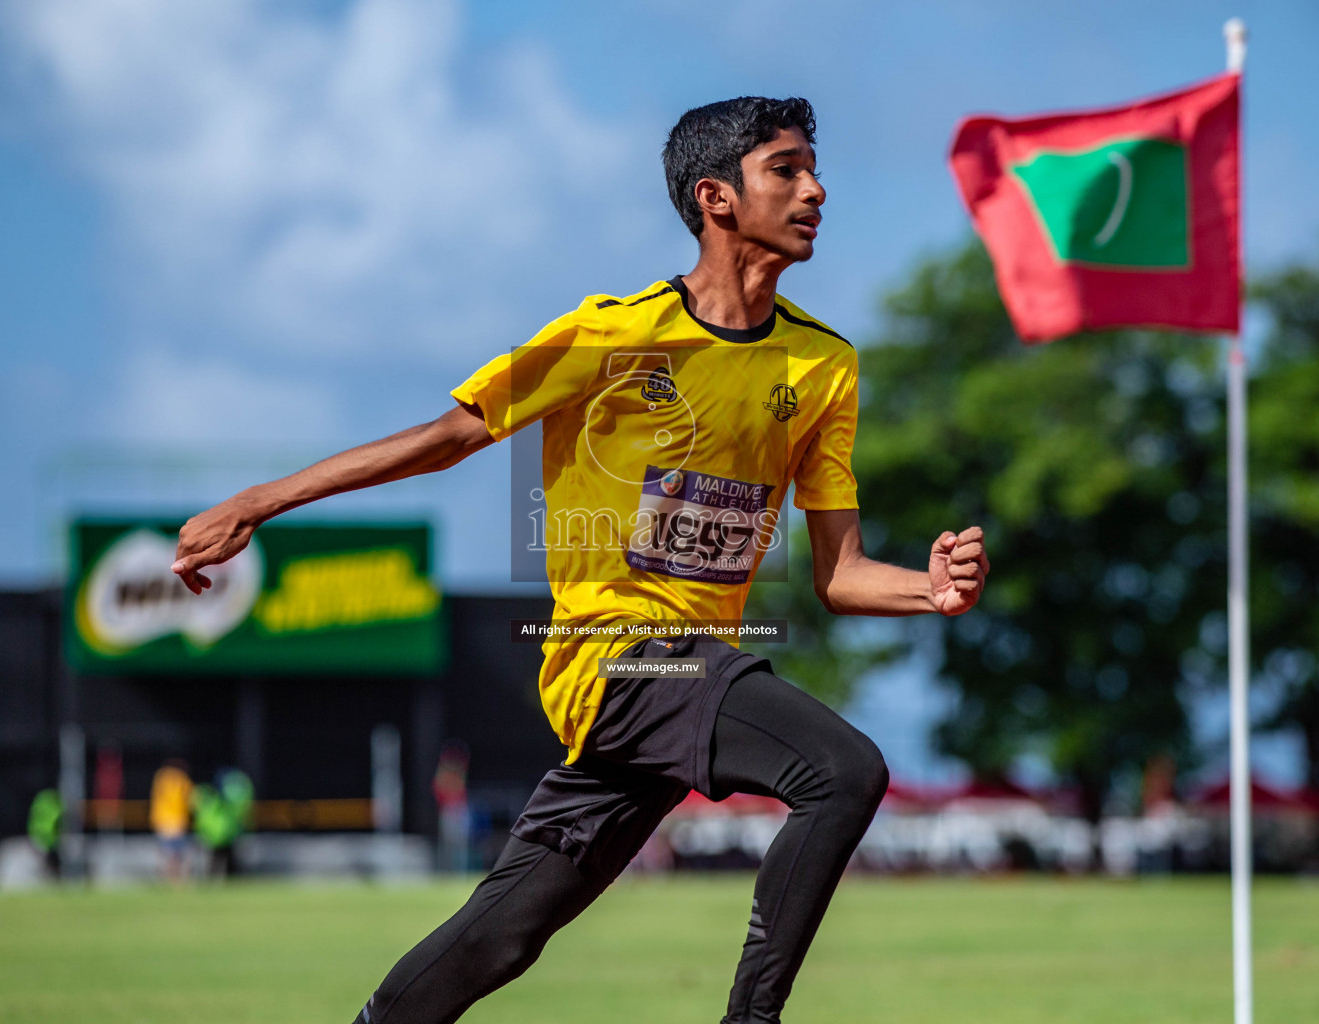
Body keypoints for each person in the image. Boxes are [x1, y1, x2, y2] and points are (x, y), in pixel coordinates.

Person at [172, 96, 989, 1024]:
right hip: (616, 662)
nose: (817, 190)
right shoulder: (612, 333)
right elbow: (448, 437)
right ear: (716, 197)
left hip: (684, 689)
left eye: (812, 169)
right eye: (787, 170)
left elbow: (840, 573)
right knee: (842, 770)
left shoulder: (824, 367)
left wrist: (933, 590)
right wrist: (257, 503)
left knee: (501, 935)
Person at [150, 759, 194, 884]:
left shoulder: (160, 777)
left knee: (166, 853)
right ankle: (178, 880)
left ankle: (166, 879)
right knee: (178, 854)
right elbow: (190, 799)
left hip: (161, 821)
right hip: (177, 821)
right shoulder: (181, 779)